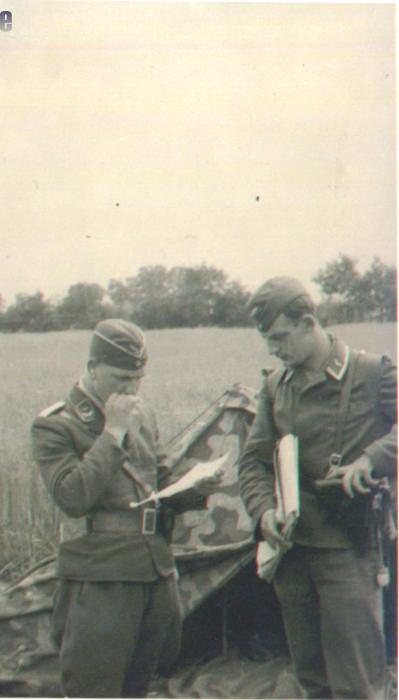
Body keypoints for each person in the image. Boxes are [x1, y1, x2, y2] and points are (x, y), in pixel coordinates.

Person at [31, 318, 221, 698]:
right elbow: (72, 498)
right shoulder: (56, 426)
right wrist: (112, 433)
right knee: (94, 687)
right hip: (102, 578)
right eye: (121, 379)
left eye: (138, 379)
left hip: (153, 569)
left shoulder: (142, 413)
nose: (131, 389)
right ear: (92, 369)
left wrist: (196, 489)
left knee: (141, 684)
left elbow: (160, 482)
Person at [237, 276, 397, 699]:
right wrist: (262, 511)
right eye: (268, 340)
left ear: (308, 323)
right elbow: (253, 460)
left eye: (280, 337)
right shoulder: (275, 386)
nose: (274, 348)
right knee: (311, 678)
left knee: (357, 682)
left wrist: (371, 459)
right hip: (292, 552)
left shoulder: (371, 371)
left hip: (348, 548)